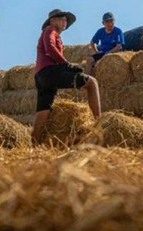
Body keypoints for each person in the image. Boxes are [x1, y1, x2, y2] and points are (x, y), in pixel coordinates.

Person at [32, 9, 101, 142]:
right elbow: (50, 48)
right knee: (92, 83)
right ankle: (99, 124)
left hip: (41, 76)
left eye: (65, 20)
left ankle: (33, 143)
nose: (64, 22)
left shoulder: (52, 32)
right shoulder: (50, 30)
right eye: (61, 19)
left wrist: (67, 66)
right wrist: (66, 65)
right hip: (49, 73)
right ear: (52, 20)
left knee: (44, 109)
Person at [85, 12, 124, 76]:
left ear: (114, 21)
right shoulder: (100, 31)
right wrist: (96, 51)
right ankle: (86, 80)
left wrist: (108, 53)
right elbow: (92, 43)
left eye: (111, 21)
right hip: (103, 52)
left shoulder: (118, 31)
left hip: (115, 53)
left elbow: (119, 46)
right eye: (107, 22)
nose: (110, 24)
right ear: (103, 23)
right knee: (89, 60)